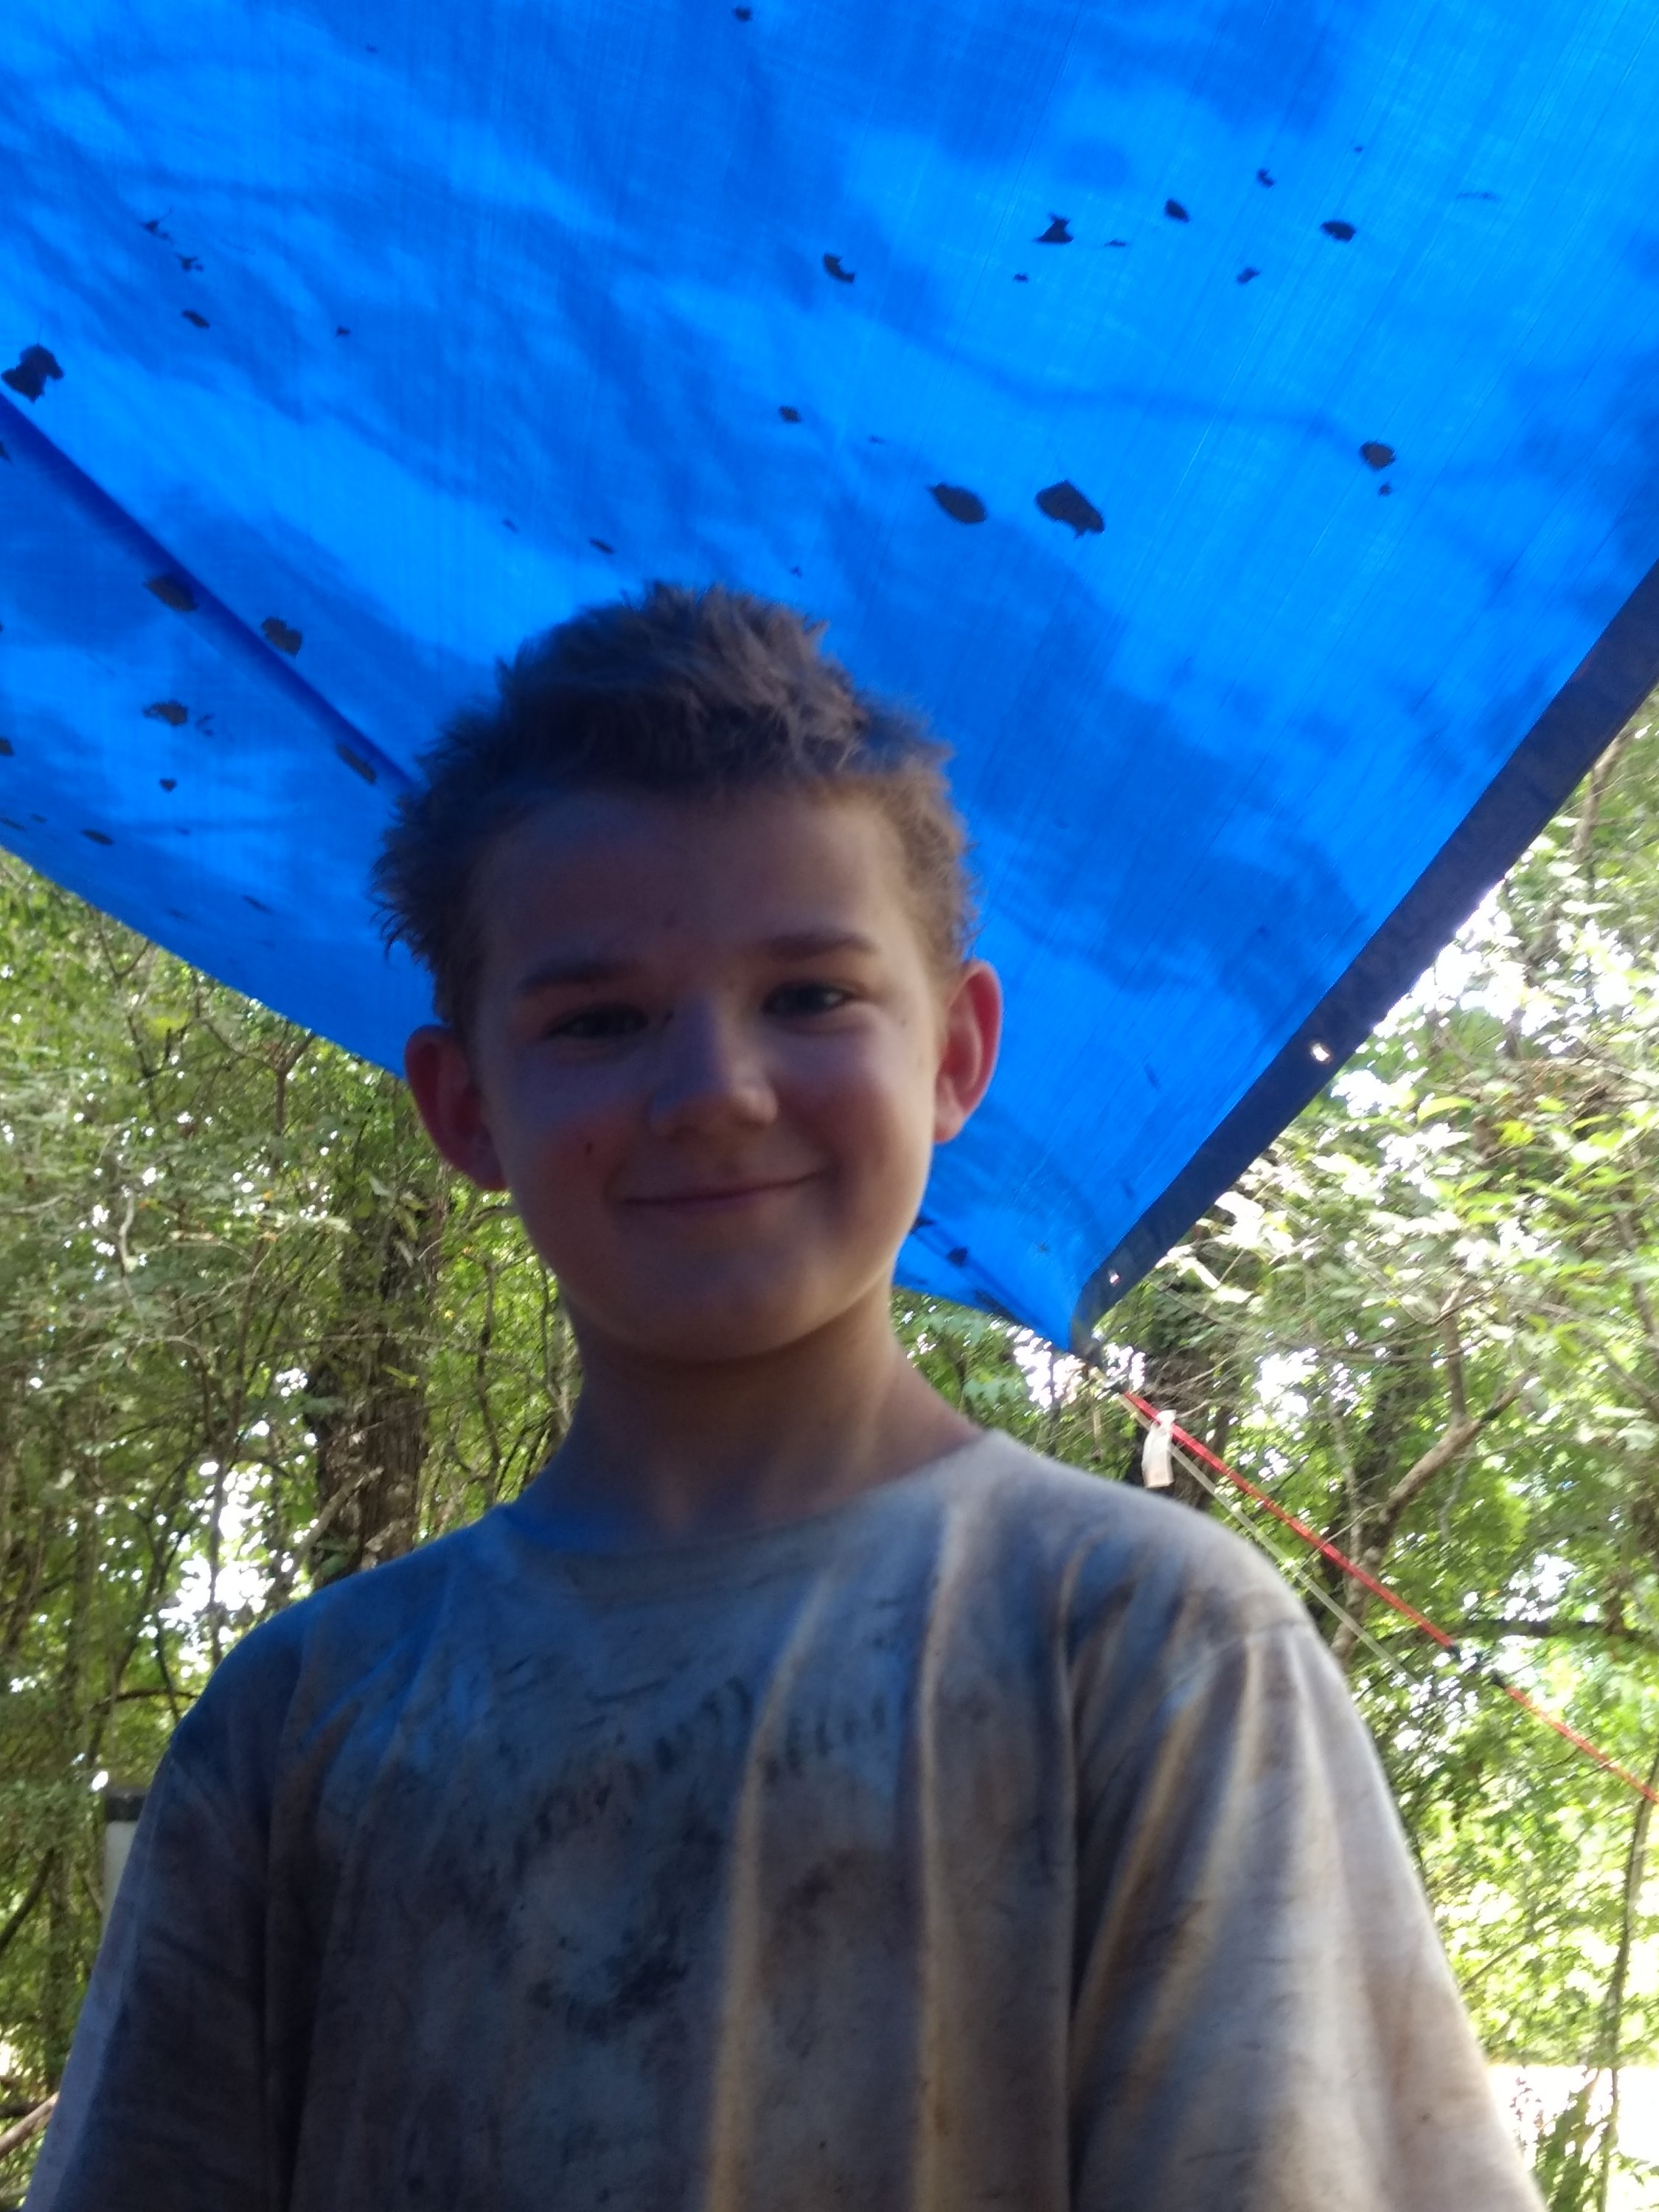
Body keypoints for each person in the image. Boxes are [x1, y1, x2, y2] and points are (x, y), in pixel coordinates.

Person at [28, 585, 1540, 2211]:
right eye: (601, 1020)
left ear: (955, 1054)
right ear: (463, 1108)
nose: (714, 1091)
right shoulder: (305, 1723)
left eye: (809, 997)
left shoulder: (1144, 1646)